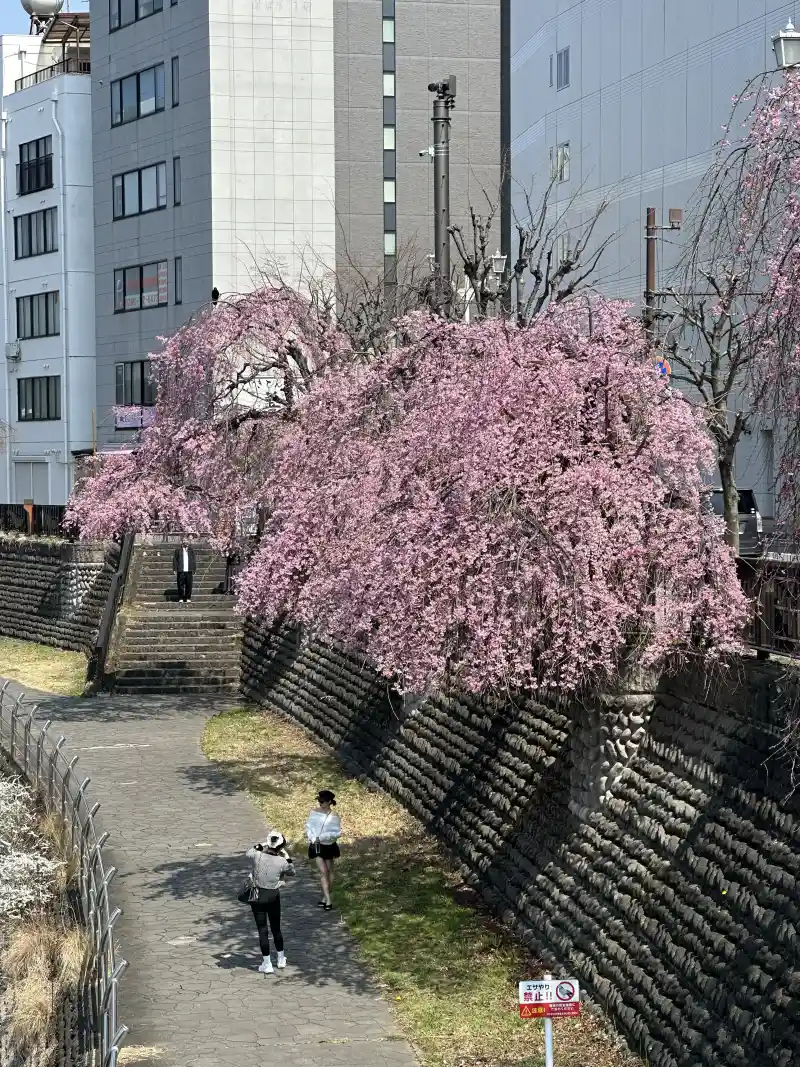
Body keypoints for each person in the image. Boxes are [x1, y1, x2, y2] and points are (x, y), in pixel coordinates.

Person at [245, 830, 295, 973]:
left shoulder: (258, 856)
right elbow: (293, 872)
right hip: (273, 895)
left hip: (256, 895)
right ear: (281, 846)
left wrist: (263, 844)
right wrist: (287, 856)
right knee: (276, 928)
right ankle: (281, 958)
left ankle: (266, 964)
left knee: (262, 930)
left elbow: (249, 852)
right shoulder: (282, 862)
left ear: (269, 843)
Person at [305, 789, 341, 911]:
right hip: (317, 845)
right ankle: (328, 900)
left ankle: (325, 898)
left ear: (329, 802)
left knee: (330, 871)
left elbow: (336, 833)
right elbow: (308, 826)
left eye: (323, 801)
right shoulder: (314, 812)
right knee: (323, 871)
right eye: (319, 801)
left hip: (329, 845)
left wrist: (323, 837)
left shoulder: (334, 816)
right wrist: (312, 837)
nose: (320, 803)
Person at [172, 537, 197, 603]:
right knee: (180, 584)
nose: (185, 541)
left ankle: (188, 597)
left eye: (186, 540)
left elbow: (193, 560)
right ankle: (181, 597)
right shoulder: (178, 550)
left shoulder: (191, 550)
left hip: (189, 570)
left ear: (188, 541)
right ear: (182, 541)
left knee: (189, 584)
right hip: (181, 570)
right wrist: (174, 569)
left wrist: (194, 569)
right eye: (184, 540)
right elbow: (175, 560)